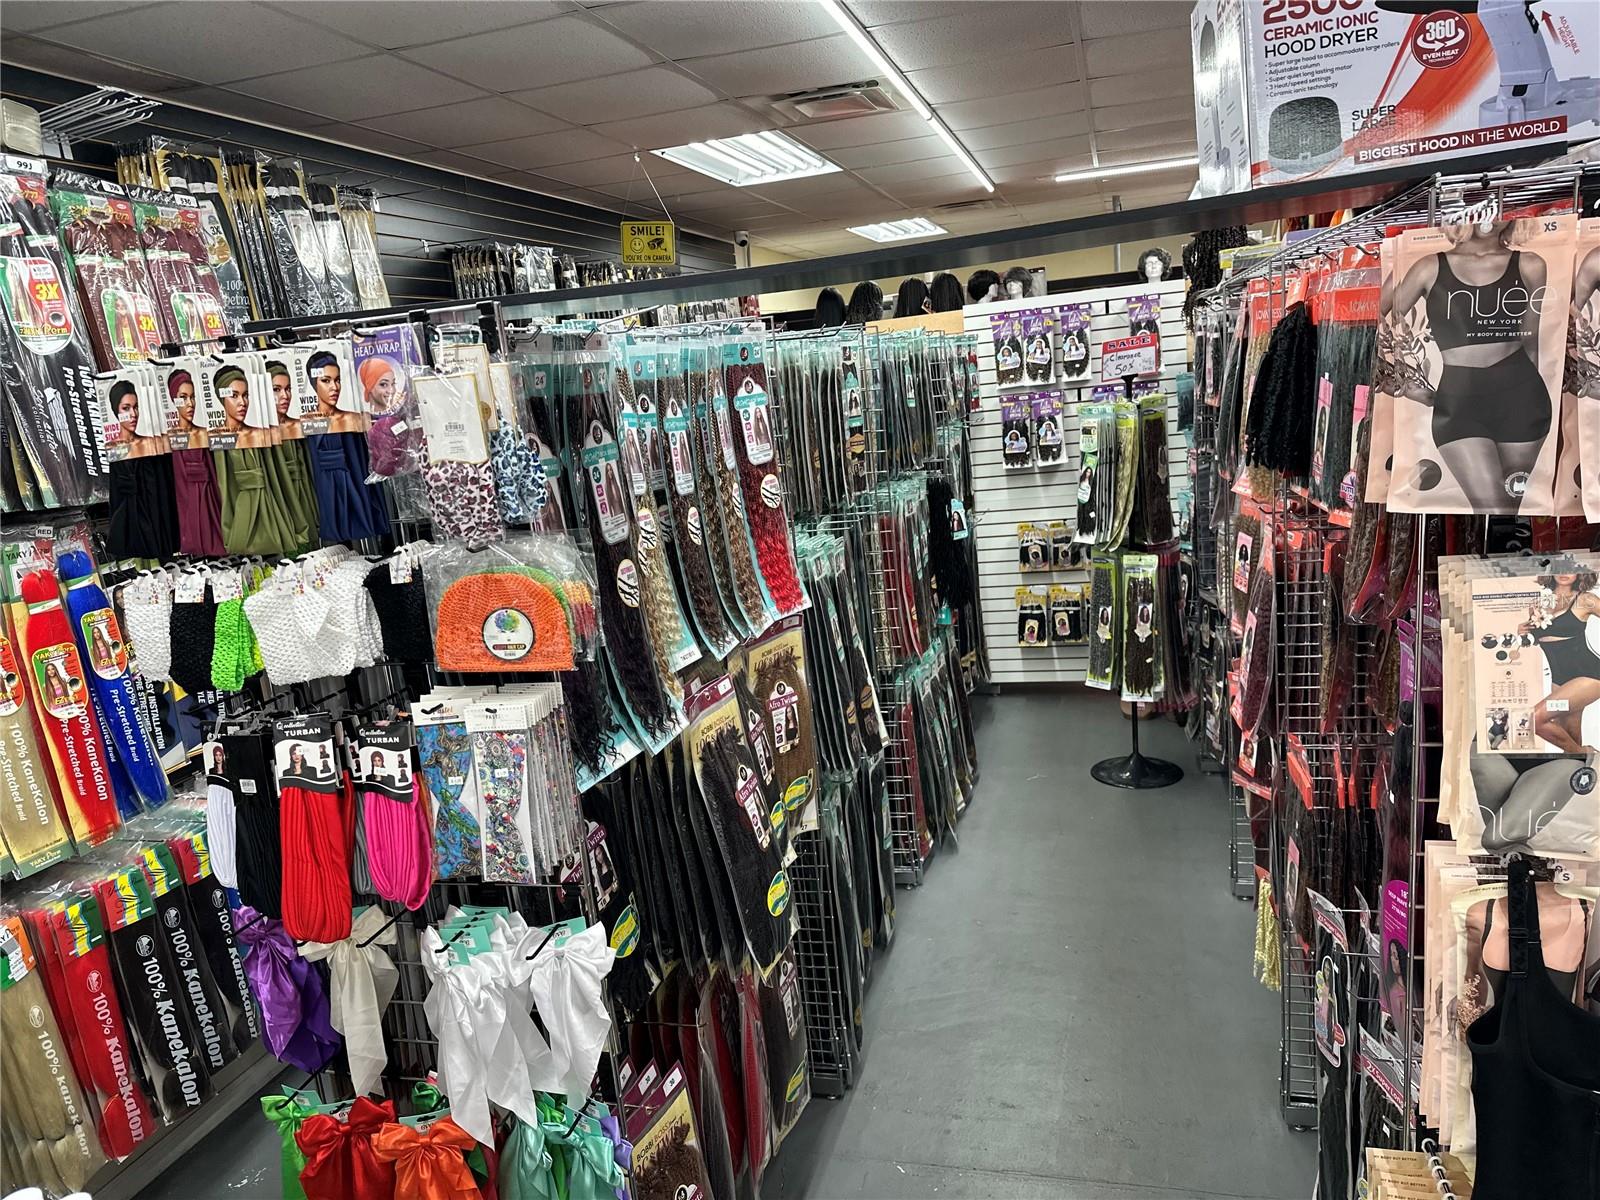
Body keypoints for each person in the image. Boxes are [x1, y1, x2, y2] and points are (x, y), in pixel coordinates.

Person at [1381, 220, 1551, 510]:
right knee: (1492, 506)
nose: (1491, 218)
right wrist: (1402, 385)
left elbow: (1531, 340)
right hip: (1459, 403)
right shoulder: (1427, 267)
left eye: (1501, 209)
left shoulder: (1531, 265)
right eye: (1483, 207)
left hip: (1522, 393)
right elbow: (1380, 323)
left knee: (1510, 509)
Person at [1520, 572, 1600, 752]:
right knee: (1569, 738)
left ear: (1580, 572)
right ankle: (1582, 763)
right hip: (1559, 679)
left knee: (1535, 718)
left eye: (1570, 569)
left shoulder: (1585, 600)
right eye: (1559, 568)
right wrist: (1522, 632)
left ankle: (1586, 753)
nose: (1564, 573)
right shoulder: (1538, 604)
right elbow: (1540, 639)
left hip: (1589, 675)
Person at [214, 367, 271, 449]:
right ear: (222, 399)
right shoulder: (212, 437)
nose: (243, 403)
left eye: (245, 395)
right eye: (234, 395)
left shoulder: (259, 434)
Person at [306, 350, 361, 433]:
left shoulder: (353, 419)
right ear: (314, 384)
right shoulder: (306, 423)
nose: (335, 387)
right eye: (326, 380)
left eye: (337, 380)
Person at [109, 380, 163, 458]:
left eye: (135, 407)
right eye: (126, 408)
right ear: (116, 410)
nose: (134, 414)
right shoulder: (111, 449)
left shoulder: (152, 442)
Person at [169, 369, 207, 448]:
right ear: (174, 400)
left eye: (192, 397)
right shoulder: (168, 438)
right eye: (183, 397)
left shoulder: (204, 434)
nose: (190, 404)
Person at [269, 360, 300, 440]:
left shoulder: (298, 426)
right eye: (276, 389)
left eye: (288, 389)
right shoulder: (256, 433)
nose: (285, 396)